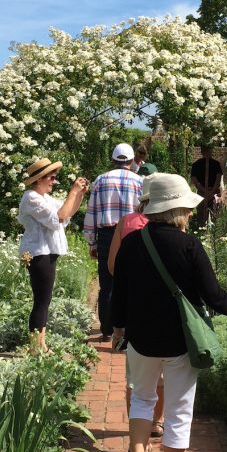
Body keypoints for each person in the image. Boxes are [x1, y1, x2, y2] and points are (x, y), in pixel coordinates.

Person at [110, 173, 227, 452]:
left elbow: (118, 294)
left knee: (142, 400)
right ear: (177, 210)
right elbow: (213, 294)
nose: (190, 214)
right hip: (180, 342)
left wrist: (118, 329)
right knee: (178, 410)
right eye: (188, 210)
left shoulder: (133, 243)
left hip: (141, 339)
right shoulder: (189, 245)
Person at [107, 176, 164, 452]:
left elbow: (113, 268)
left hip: (135, 314)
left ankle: (136, 445)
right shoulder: (178, 232)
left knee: (136, 381)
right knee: (164, 377)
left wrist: (117, 327)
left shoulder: (126, 223)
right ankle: (158, 422)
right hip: (168, 317)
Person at [18, 157, 89, 354]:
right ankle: (35, 346)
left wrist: (79, 195)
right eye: (51, 177)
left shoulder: (45, 198)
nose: (53, 181)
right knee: (42, 299)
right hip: (37, 252)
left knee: (44, 299)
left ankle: (40, 343)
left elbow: (67, 213)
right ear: (38, 179)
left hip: (46, 251)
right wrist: (72, 192)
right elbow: (57, 218)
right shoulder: (31, 198)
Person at [84, 143, 143, 340]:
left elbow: (92, 211)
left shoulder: (101, 180)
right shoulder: (139, 181)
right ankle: (128, 327)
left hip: (107, 235)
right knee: (133, 281)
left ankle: (107, 330)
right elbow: (144, 212)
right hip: (132, 234)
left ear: (113, 160)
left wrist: (91, 242)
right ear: (132, 160)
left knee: (107, 283)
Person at [190, 146, 223, 225]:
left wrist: (210, 192)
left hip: (212, 192)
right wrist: (208, 191)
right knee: (202, 212)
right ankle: (202, 228)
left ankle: (208, 228)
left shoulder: (216, 164)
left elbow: (218, 178)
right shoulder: (196, 164)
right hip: (205, 192)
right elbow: (194, 180)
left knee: (214, 212)